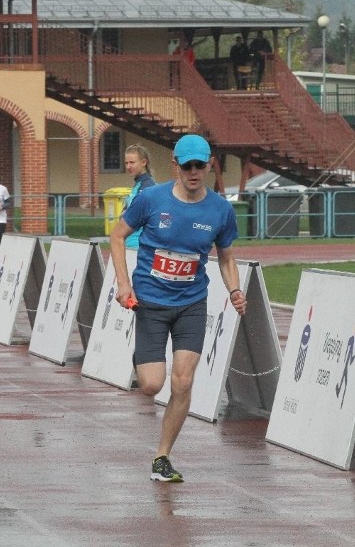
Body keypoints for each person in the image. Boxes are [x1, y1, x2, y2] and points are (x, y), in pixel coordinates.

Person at [109, 134, 247, 483]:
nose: (194, 171)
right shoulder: (151, 199)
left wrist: (234, 290)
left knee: (183, 382)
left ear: (209, 164)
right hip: (152, 302)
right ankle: (142, 360)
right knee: (151, 386)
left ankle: (162, 456)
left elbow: (227, 257)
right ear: (175, 165)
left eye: (200, 164)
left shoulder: (220, 209)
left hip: (191, 304)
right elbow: (116, 234)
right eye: (187, 165)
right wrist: (123, 283)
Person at [122, 144, 156, 249]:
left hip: (139, 246)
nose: (128, 166)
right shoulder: (138, 185)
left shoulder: (148, 187)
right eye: (126, 163)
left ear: (144, 162)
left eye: (132, 162)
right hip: (130, 243)